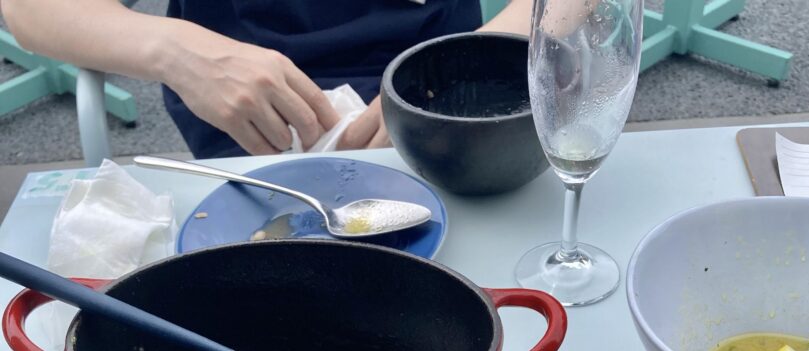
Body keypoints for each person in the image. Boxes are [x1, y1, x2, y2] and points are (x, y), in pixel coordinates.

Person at [1, 0, 533, 159]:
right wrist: (175, 50)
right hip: (247, 144)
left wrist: (469, 60)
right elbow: (30, 9)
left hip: (456, 117)